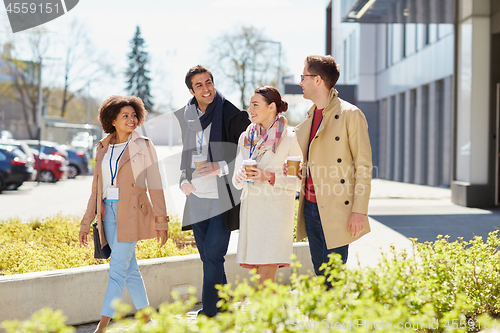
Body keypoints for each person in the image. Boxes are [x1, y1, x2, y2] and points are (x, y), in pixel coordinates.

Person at [79, 96, 169, 333]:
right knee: (130, 270)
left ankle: (102, 327)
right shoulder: (102, 147)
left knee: (117, 271)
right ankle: (148, 321)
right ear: (113, 120)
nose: (131, 119)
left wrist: (162, 223)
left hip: (132, 213)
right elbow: (96, 189)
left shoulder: (144, 145)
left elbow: (155, 185)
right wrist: (86, 222)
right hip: (107, 213)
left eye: (133, 115)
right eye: (125, 116)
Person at [174, 65, 250, 317]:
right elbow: (186, 156)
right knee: (208, 257)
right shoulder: (188, 117)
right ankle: (224, 305)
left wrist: (219, 167)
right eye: (199, 85)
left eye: (209, 82)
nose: (206, 89)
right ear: (190, 90)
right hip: (196, 197)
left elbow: (247, 155)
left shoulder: (231, 114)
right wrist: (183, 180)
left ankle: (210, 311)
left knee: (213, 254)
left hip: (222, 197)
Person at [292, 55, 372, 285]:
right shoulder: (309, 115)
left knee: (333, 277)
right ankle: (324, 319)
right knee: (320, 274)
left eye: (303, 76)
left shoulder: (350, 114)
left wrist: (359, 210)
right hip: (310, 206)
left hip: (337, 207)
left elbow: (364, 166)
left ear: (317, 80)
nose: (300, 82)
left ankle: (334, 320)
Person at [232, 86, 302, 285]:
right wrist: (240, 176)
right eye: (250, 104)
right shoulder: (245, 138)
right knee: (260, 284)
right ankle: (274, 316)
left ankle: (271, 317)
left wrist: (269, 176)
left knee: (265, 282)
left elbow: (298, 182)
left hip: (275, 218)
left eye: (255, 105)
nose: (250, 109)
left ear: (272, 107)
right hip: (251, 216)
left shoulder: (290, 138)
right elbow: (236, 183)